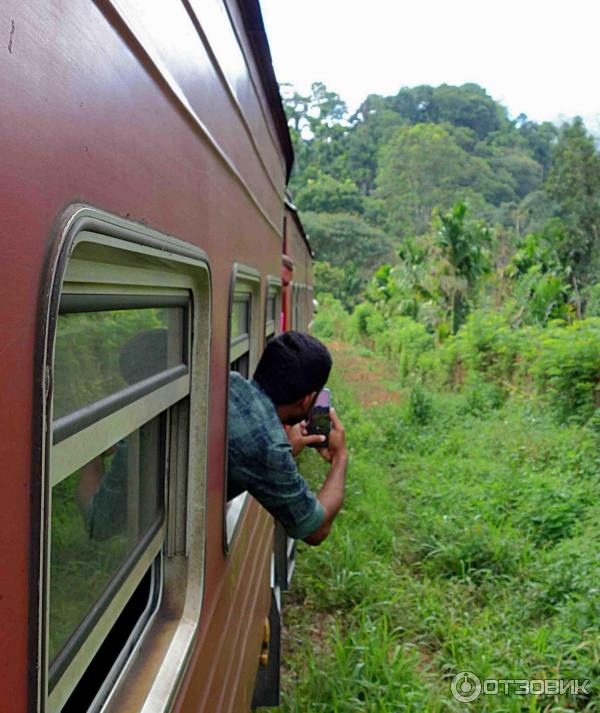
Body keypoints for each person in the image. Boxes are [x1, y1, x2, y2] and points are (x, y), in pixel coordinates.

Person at [228, 331, 347, 546]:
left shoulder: (232, 383)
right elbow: (315, 530)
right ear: (307, 400)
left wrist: (287, 449)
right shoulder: (269, 448)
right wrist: (340, 457)